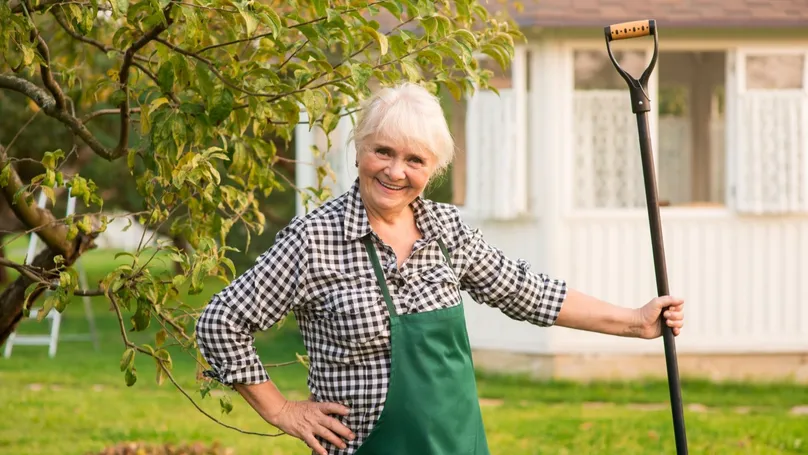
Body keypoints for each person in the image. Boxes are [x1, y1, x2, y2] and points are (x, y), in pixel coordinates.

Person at [195, 82, 685, 455]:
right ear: (359, 149)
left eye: (415, 159)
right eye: (382, 151)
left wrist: (634, 321)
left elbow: (528, 292)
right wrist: (282, 411)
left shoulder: (447, 231)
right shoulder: (314, 240)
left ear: (433, 169)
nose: (395, 171)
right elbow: (220, 324)